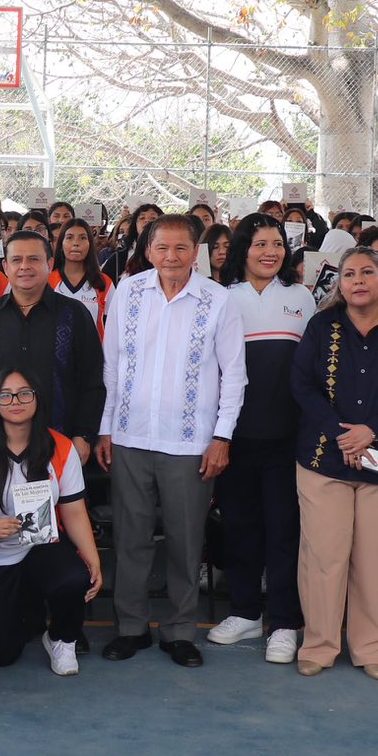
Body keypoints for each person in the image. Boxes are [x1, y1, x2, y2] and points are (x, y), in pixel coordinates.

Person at [96, 215, 245, 667]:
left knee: (185, 539)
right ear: (149, 249)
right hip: (129, 435)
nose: (171, 258)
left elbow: (234, 375)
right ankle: (131, 627)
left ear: (195, 251)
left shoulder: (219, 300)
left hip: (192, 442)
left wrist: (222, 436)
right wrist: (105, 426)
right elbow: (112, 364)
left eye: (181, 248)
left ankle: (181, 631)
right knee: (131, 537)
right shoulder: (128, 293)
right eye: (162, 248)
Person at [288, 246, 378, 677]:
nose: (358, 281)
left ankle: (374, 650)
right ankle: (319, 645)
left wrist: (370, 432)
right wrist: (340, 433)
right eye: (349, 274)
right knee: (324, 557)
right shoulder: (321, 327)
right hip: (323, 461)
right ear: (340, 283)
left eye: (367, 272)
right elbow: (302, 385)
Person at [211, 213, 312, 659]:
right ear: (241, 251)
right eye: (259, 244)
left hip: (287, 437)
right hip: (233, 437)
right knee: (239, 527)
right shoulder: (219, 297)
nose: (270, 252)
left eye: (277, 244)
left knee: (283, 530)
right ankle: (247, 613)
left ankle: (285, 622)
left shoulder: (301, 297)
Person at [0, 367, 103, 675]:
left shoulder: (61, 447)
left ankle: (62, 639)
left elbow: (74, 510)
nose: (16, 401)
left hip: (41, 545)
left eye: (25, 393)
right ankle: (20, 614)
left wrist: (93, 560)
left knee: (77, 576)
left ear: (38, 399)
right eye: (6, 394)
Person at [0, 229, 105, 449]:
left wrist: (84, 435)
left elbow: (91, 381)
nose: (24, 266)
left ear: (50, 264)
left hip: (61, 446)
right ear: (6, 267)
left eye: (34, 259)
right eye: (17, 260)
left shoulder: (75, 314)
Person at [49, 218, 112, 335]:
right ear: (61, 244)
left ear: (90, 244)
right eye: (69, 237)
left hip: (95, 352)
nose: (76, 243)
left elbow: (114, 326)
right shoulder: (47, 281)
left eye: (83, 238)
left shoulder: (104, 283)